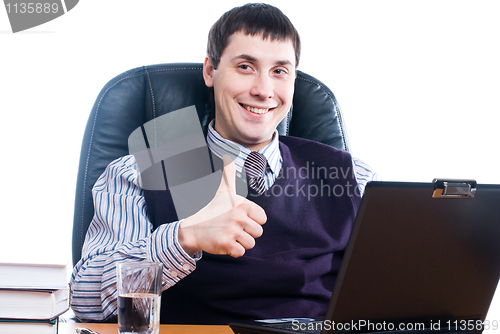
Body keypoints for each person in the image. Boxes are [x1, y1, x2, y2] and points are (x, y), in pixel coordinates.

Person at [70, 3, 379, 324]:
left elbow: (389, 295)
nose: (263, 90)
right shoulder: (136, 174)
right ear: (210, 71)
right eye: (245, 67)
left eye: (280, 71)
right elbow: (85, 301)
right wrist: (183, 238)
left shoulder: (356, 178)